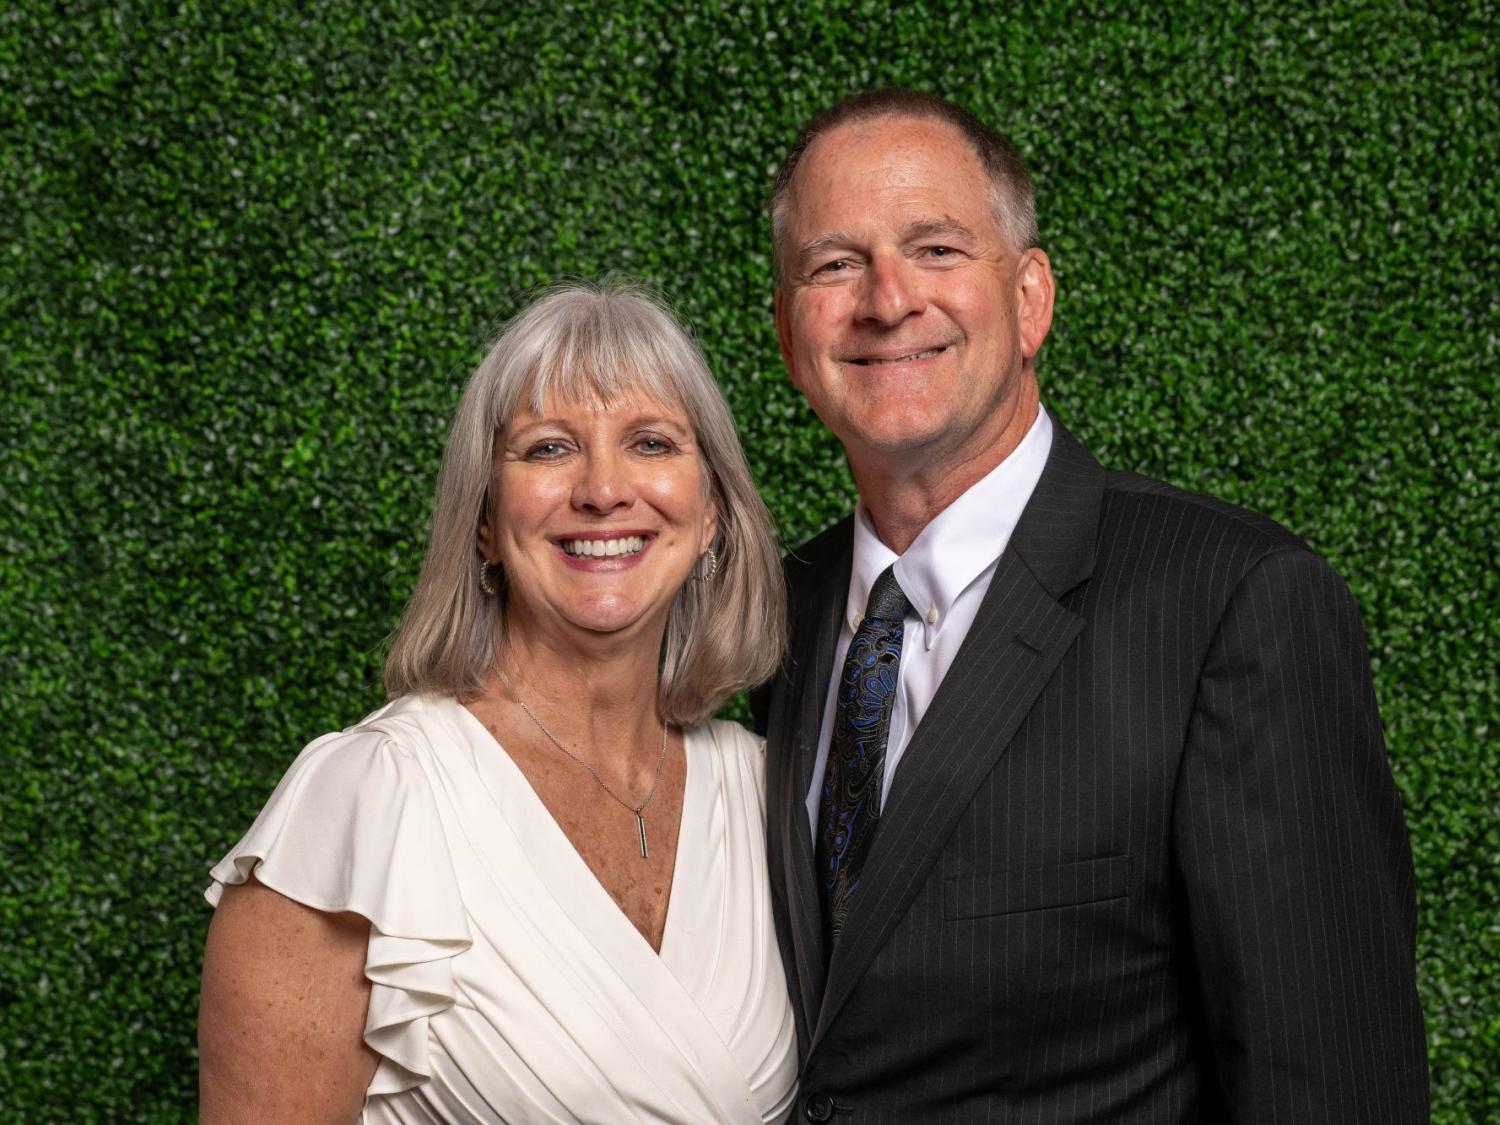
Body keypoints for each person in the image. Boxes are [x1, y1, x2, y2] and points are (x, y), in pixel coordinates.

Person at [753, 87, 1428, 1122]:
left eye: (937, 250)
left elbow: (1335, 1091)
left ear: (1030, 300)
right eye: (836, 263)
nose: (888, 298)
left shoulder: (1231, 606)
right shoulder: (769, 619)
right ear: (791, 338)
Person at [199, 281, 798, 1123]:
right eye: (549, 449)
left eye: (650, 442)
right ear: (483, 521)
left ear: (711, 516)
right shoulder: (363, 804)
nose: (602, 489)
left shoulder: (771, 785)